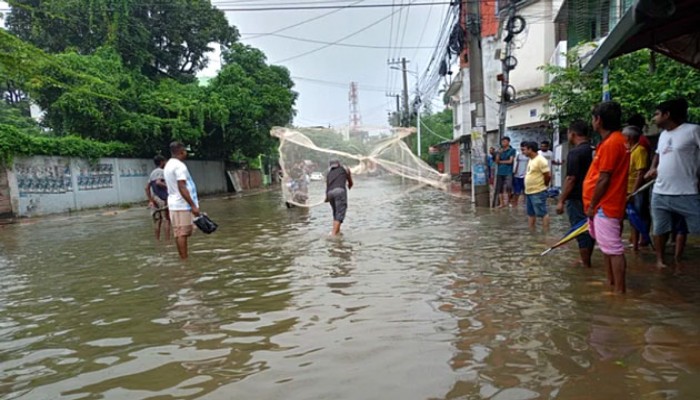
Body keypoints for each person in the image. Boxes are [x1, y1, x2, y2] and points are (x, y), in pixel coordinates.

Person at [645, 98, 700, 268]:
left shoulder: (693, 130)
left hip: (687, 192)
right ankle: (660, 261)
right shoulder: (663, 135)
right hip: (660, 191)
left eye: (657, 114)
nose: (654, 118)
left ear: (667, 115)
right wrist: (653, 168)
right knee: (659, 229)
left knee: (697, 228)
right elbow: (658, 154)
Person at [583, 101, 629, 294]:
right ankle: (611, 284)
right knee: (607, 247)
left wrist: (593, 205)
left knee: (613, 249)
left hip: (606, 205)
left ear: (598, 120)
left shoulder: (612, 143)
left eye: (593, 118)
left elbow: (604, 178)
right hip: (604, 205)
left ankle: (619, 292)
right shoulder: (612, 141)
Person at [556, 120, 595, 267]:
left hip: (577, 197)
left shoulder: (575, 153)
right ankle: (586, 259)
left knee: (580, 229)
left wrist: (561, 200)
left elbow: (571, 178)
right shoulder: (594, 150)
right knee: (589, 227)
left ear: (572, 134)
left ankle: (586, 264)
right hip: (593, 196)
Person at [164, 142, 200, 259]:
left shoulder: (168, 164)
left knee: (179, 232)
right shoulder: (179, 166)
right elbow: (182, 186)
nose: (186, 153)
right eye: (185, 151)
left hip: (175, 204)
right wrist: (193, 205)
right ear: (181, 152)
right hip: (181, 204)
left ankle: (183, 258)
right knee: (182, 233)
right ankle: (184, 260)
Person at [622, 125, 650, 250]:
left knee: (636, 216)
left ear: (628, 138)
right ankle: (633, 241)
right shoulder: (629, 150)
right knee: (628, 217)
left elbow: (641, 173)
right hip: (626, 189)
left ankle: (636, 245)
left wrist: (633, 192)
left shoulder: (640, 151)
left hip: (636, 190)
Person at [522, 141, 551, 229]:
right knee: (530, 214)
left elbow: (548, 175)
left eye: (524, 150)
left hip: (538, 191)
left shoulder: (540, 160)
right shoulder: (531, 159)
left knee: (543, 213)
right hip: (529, 191)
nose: (523, 152)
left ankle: (546, 233)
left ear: (530, 150)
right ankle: (531, 232)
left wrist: (544, 186)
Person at [145, 155, 170, 241]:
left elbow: (147, 188)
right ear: (162, 162)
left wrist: (150, 200)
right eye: (165, 161)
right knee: (166, 219)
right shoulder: (161, 171)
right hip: (162, 199)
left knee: (157, 221)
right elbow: (158, 182)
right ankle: (167, 241)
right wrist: (169, 186)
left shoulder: (152, 173)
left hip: (154, 198)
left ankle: (157, 241)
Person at [326, 159, 353, 236]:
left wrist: (326, 197)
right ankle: (333, 235)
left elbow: (327, 185)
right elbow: (350, 183)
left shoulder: (329, 173)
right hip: (339, 191)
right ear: (338, 164)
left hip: (330, 193)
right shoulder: (344, 169)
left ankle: (337, 232)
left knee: (335, 213)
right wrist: (349, 185)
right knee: (340, 213)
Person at [494, 137, 516, 208]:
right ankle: (501, 203)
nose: (503, 143)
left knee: (509, 187)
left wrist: (501, 162)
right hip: (500, 172)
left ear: (508, 142)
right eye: (502, 141)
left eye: (505, 141)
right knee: (499, 188)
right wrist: (498, 154)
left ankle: (509, 201)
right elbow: (497, 161)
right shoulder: (500, 151)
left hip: (508, 172)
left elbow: (510, 161)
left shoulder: (512, 150)